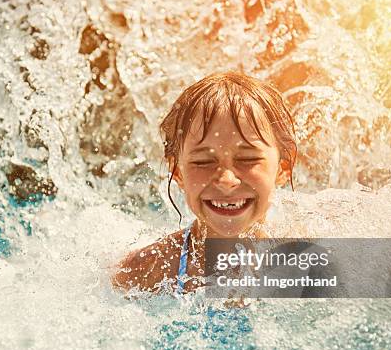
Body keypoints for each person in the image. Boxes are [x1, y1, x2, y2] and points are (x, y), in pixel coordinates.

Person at [113, 71, 297, 294]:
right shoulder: (147, 272)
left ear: (283, 168)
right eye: (203, 161)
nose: (226, 180)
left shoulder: (306, 263)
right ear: (178, 172)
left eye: (248, 159)